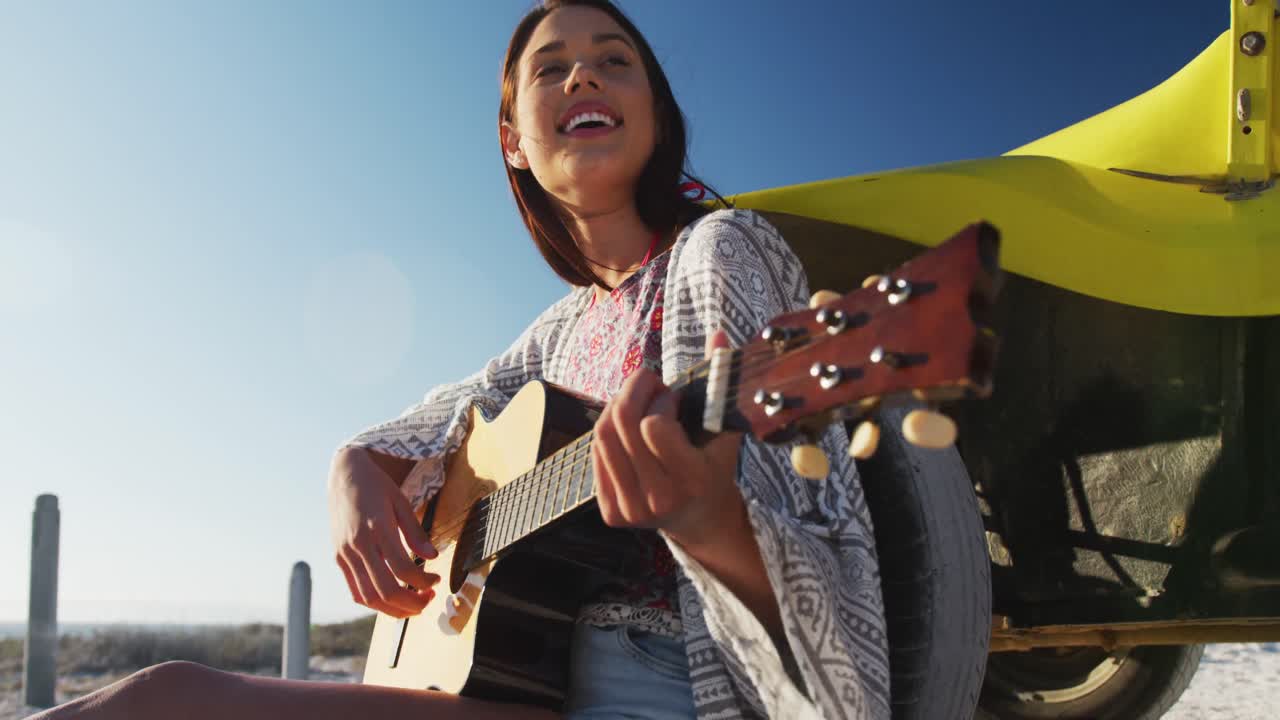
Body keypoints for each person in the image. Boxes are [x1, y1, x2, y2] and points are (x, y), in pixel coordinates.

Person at [31, 2, 889, 718]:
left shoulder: (721, 252)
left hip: (667, 683)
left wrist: (711, 525)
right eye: (550, 68)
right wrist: (352, 469)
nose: (582, 76)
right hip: (526, 685)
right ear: (513, 138)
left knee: (165, 702)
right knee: (153, 698)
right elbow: (432, 421)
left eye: (613, 61)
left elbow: (841, 612)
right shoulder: (552, 336)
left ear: (657, 116)